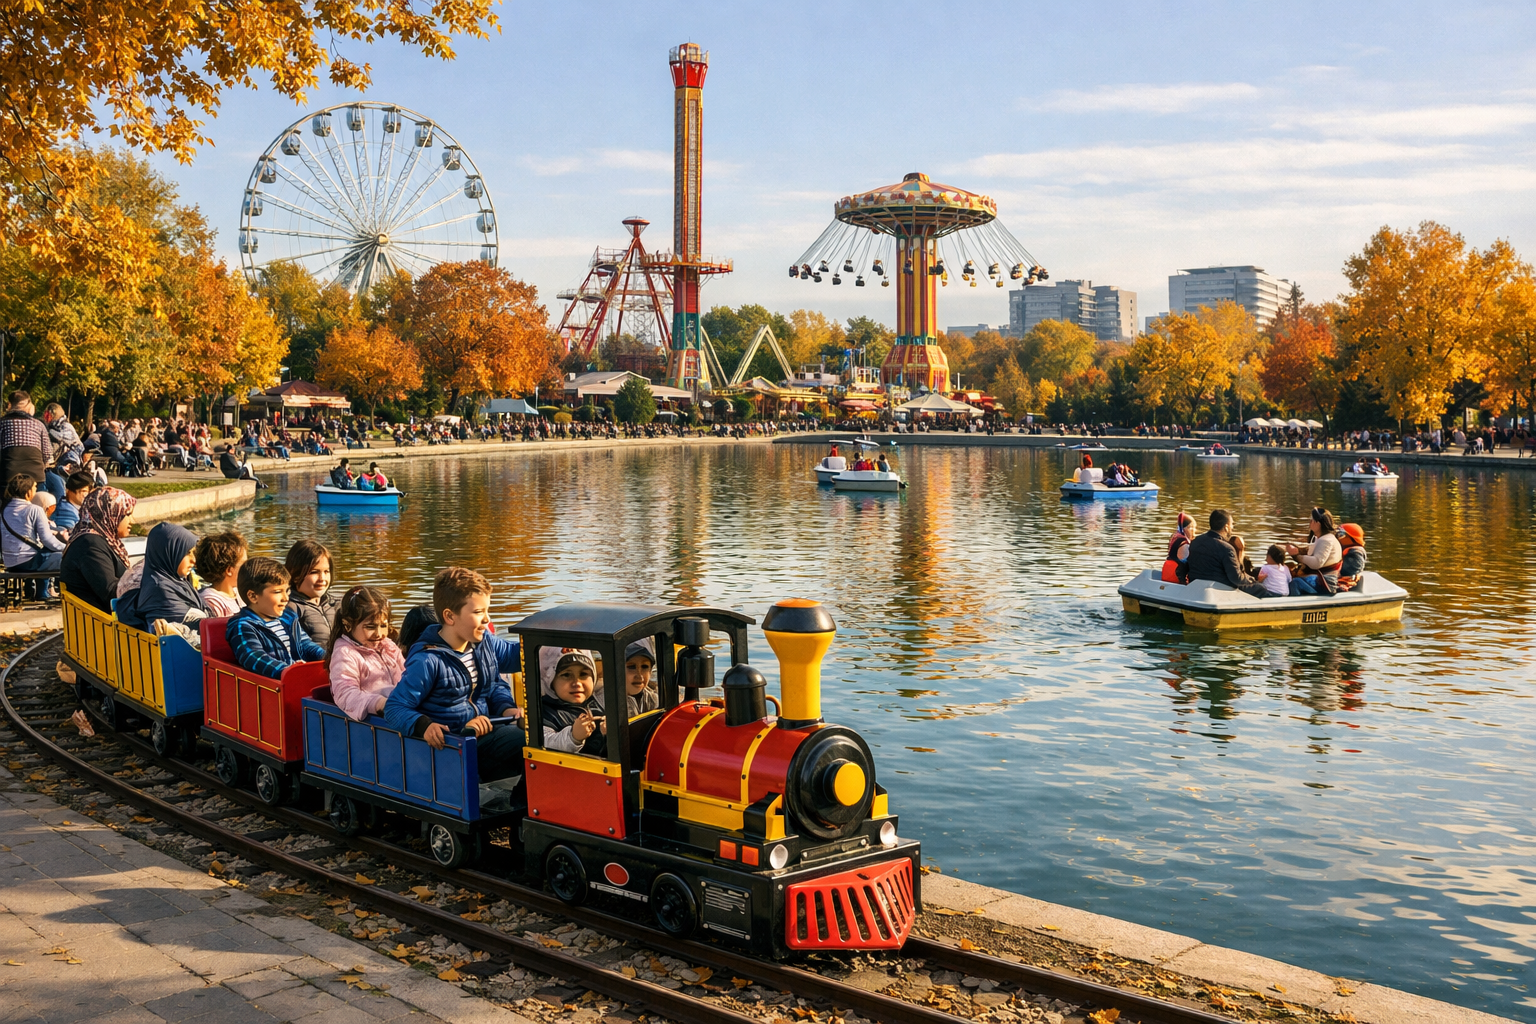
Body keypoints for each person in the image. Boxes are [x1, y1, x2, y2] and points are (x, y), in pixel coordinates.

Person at [382, 567, 524, 782]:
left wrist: (551, 644)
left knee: (538, 740)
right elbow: (394, 708)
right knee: (526, 743)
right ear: (450, 616)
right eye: (478, 612)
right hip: (450, 744)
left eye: (487, 610)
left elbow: (512, 661)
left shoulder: (484, 642)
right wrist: (425, 726)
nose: (486, 619)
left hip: (483, 733)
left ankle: (526, 803)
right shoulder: (428, 660)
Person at [226, 557, 325, 678]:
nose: (286, 598)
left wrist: (326, 657)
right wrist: (288, 670)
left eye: (287, 591)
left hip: (296, 677)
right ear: (253, 596)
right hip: (274, 685)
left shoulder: (288, 616)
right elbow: (254, 657)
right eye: (278, 592)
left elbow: (305, 644)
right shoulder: (243, 625)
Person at [326, 585, 406, 723]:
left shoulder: (388, 646)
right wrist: (380, 704)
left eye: (383, 625)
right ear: (347, 625)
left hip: (402, 710)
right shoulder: (345, 653)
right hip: (377, 721)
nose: (379, 634)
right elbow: (346, 694)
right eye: (370, 627)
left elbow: (407, 674)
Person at [116, 523, 206, 643]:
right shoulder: (160, 590)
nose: (193, 560)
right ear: (170, 552)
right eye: (187, 553)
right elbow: (196, 628)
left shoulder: (176, 581)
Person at [59, 487, 136, 611]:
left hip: (101, 620)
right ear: (109, 513)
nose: (132, 521)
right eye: (126, 515)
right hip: (99, 623)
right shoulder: (89, 545)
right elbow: (110, 591)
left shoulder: (101, 539)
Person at [1184, 509, 1269, 598]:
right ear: (1226, 527)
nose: (1232, 527)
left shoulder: (1196, 541)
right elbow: (1236, 578)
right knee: (1260, 588)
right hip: (1220, 588)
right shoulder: (1226, 548)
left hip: (1196, 585)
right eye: (1232, 524)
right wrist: (1253, 580)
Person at [539, 646, 606, 755]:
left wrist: (611, 731)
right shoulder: (544, 712)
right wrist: (573, 737)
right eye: (566, 675)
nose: (577, 683)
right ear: (549, 680)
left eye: (583, 674)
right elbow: (546, 741)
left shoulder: (601, 699)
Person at [1, 474, 65, 583]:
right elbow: (47, 540)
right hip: (30, 562)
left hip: (10, 563)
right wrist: (68, 547)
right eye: (35, 487)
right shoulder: (34, 510)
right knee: (72, 559)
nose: (36, 489)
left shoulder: (4, 510)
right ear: (28, 491)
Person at [285, 539, 339, 641]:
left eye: (326, 571)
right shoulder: (289, 608)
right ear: (295, 575)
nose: (322, 578)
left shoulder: (337, 604)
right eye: (314, 572)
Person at [1287, 506, 1343, 596]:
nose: (1310, 523)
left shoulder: (1326, 540)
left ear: (1318, 523)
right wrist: (1295, 552)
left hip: (1326, 582)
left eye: (1311, 520)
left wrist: (1298, 556)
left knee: (1295, 582)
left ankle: (1295, 606)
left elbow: (1317, 563)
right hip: (1319, 578)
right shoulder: (1319, 538)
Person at [0, 392, 51, 489]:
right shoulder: (39, 425)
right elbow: (47, 454)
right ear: (29, 406)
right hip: (36, 477)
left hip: (9, 475)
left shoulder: (2, 423)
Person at [194, 531, 248, 617]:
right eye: (244, 564)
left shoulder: (239, 593)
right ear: (229, 570)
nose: (248, 568)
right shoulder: (211, 601)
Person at [624, 637, 659, 719]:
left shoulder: (655, 700)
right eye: (632, 667)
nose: (639, 675)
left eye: (645, 667)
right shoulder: (601, 705)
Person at [1162, 512, 1195, 583]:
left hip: (1168, 571)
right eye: (1190, 527)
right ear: (1184, 529)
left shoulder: (1175, 536)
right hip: (1176, 575)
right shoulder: (1184, 543)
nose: (1193, 530)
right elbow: (1190, 562)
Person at [1335, 523, 1368, 591]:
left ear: (1352, 538)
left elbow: (1351, 570)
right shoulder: (1344, 548)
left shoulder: (1356, 553)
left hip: (1347, 582)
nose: (1338, 537)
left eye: (1341, 534)